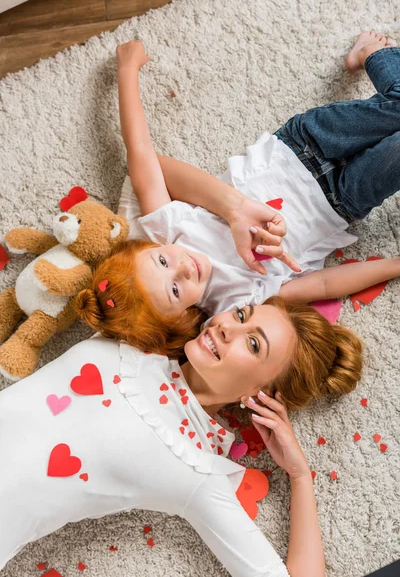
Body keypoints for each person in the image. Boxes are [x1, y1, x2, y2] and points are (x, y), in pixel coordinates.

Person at [76, 33, 400, 357]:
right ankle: (376, 56)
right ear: (180, 318)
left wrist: (127, 69)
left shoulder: (169, 229)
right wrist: (394, 266)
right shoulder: (236, 308)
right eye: (175, 289)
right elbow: (323, 285)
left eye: (161, 260)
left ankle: (371, 52)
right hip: (343, 202)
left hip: (302, 146)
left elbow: (140, 151)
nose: (182, 267)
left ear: (146, 248)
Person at [1, 296, 347, 577]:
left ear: (262, 393)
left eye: (254, 343)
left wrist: (300, 476)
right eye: (241, 313)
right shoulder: (143, 330)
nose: (228, 327)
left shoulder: (196, 467)